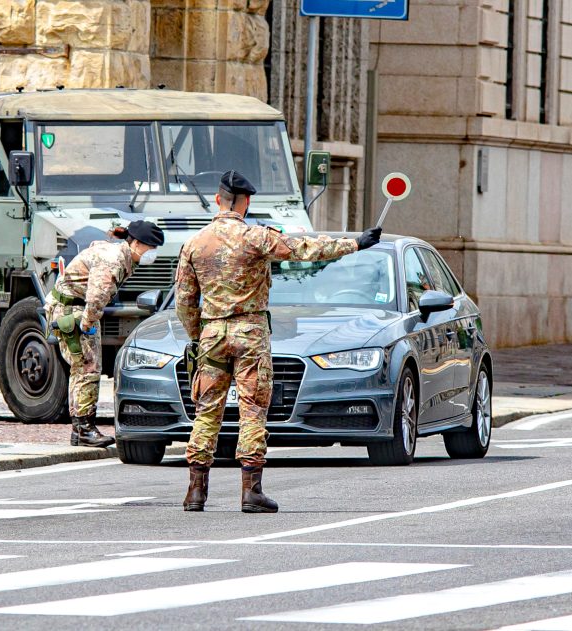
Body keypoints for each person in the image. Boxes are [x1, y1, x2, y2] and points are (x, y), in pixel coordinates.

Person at [176, 170, 381, 512]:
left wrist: (198, 334)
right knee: (253, 410)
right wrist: (356, 243)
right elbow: (305, 249)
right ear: (246, 202)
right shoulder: (256, 237)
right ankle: (250, 491)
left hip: (212, 334)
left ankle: (195, 492)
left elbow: (184, 301)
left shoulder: (195, 243)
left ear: (217, 200)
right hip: (252, 333)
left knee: (206, 411)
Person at [45, 220, 165, 447]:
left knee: (82, 368)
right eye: (151, 248)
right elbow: (96, 297)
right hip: (75, 310)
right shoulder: (114, 259)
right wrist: (88, 323)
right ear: (137, 243)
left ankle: (80, 429)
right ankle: (84, 429)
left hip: (74, 307)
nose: (153, 254)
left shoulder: (119, 253)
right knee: (87, 368)